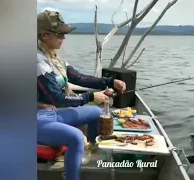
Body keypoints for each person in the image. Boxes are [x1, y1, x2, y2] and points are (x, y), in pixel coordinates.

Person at [36, 10, 126, 180]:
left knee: (98, 113)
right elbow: (57, 98)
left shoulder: (54, 58)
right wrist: (92, 97)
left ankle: (90, 152)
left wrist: (110, 82)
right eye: (60, 34)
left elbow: (78, 77)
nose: (63, 38)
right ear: (45, 35)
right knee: (77, 137)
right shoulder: (37, 61)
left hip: (51, 114)